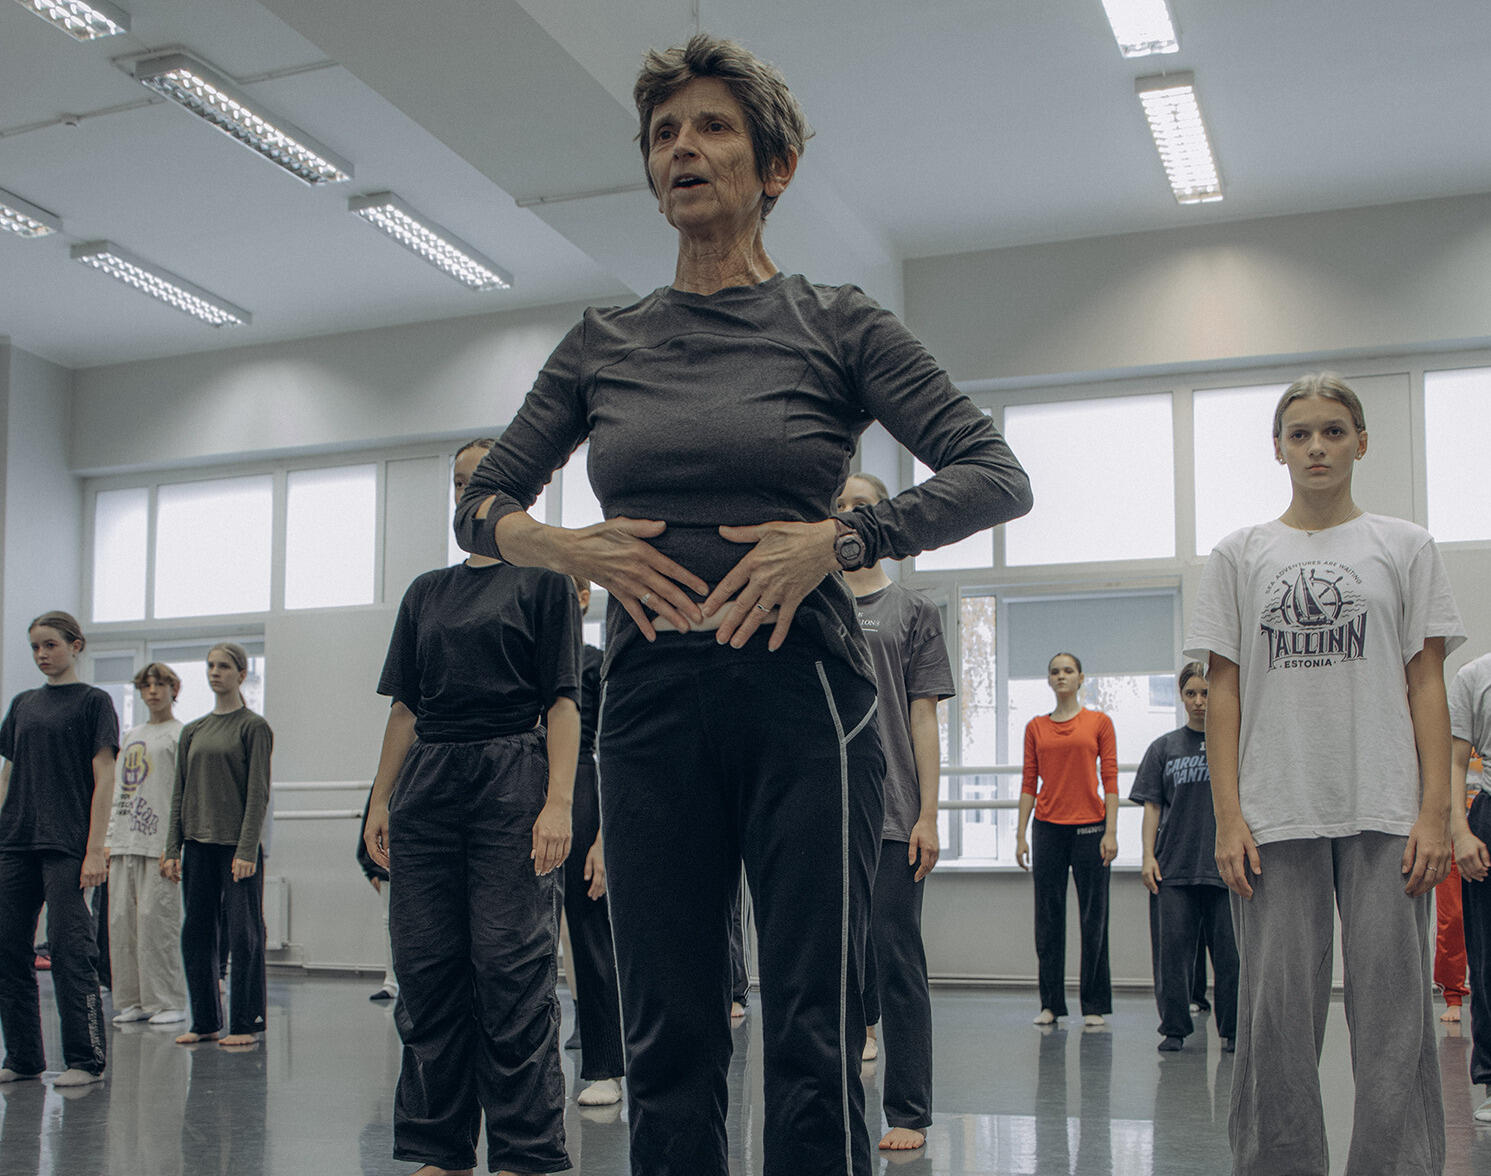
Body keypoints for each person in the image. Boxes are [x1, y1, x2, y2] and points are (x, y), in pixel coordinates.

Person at [452, 33, 1032, 1176]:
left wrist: (845, 537)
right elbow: (483, 503)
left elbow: (993, 472)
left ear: (778, 167)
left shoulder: (837, 322)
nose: (684, 149)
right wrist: (564, 546)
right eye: (665, 133)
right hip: (651, 708)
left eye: (713, 127)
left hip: (806, 704)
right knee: (668, 1028)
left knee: (812, 1028)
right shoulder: (601, 344)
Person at [1188, 372, 1462, 1175]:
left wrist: (1435, 813)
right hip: (1276, 814)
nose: (1316, 446)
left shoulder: (1404, 546)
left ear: (1361, 443)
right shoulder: (1239, 555)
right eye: (1300, 433)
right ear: (1277, 448)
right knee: (1275, 1020)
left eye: (1333, 431)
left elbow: (1425, 682)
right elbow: (1224, 691)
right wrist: (1227, 817)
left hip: (1385, 808)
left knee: (1393, 1021)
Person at [364, 438, 581, 1176]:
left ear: (521, 493)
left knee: (509, 968)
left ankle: (526, 1151)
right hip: (428, 784)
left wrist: (557, 802)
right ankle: (439, 1148)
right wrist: (379, 802)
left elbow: (562, 703)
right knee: (426, 970)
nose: (469, 493)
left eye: (481, 481)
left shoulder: (546, 582)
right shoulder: (427, 591)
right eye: (459, 482)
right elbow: (404, 708)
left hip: (511, 779)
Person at [836, 472, 952, 1151]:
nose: (850, 516)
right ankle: (833, 1096)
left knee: (895, 960)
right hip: (820, 814)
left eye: (862, 506)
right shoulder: (810, 603)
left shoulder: (913, 611)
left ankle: (907, 1109)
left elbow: (923, 719)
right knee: (831, 966)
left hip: (891, 816)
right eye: (839, 507)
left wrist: (927, 813)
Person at [0, 610, 118, 1087]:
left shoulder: (94, 702)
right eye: (35, 647)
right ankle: (25, 1057)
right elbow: (9, 774)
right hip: (15, 841)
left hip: (67, 844)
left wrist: (95, 849)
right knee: (8, 949)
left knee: (71, 951)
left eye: (50, 645)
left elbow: (105, 778)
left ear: (76, 645)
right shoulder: (23, 704)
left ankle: (86, 1060)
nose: (42, 655)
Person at [162, 643, 273, 1049]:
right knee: (196, 933)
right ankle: (206, 1020)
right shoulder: (193, 730)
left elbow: (257, 792)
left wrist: (246, 850)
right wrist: (172, 847)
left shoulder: (253, 727)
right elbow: (180, 793)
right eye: (210, 666)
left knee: (244, 936)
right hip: (197, 846)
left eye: (223, 666)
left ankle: (246, 1022)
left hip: (236, 850)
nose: (214, 672)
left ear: (241, 675)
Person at [1131, 662, 1237, 1053]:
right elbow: (1152, 808)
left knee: (1231, 958)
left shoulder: (1235, 744)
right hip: (1173, 868)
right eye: (1191, 693)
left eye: (1206, 693)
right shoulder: (1164, 748)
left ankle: (1233, 1030)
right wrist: (1147, 856)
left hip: (1223, 868)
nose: (1198, 701)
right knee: (1171, 957)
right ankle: (1173, 1028)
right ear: (1181, 696)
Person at [1015, 653, 1118, 1027]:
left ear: (1080, 678)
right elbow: (1029, 782)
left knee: (1094, 919)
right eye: (1055, 671)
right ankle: (1051, 1005)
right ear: (1049, 680)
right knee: (1048, 919)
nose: (1062, 676)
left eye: (1068, 671)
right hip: (1048, 829)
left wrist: (1111, 831)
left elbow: (1110, 780)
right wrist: (1020, 834)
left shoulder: (1099, 723)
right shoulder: (1035, 728)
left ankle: (1093, 1005)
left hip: (1091, 828)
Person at [561, 575, 625, 1108]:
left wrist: (604, 838)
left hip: (583, 786)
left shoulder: (596, 663)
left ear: (583, 597)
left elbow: (614, 751)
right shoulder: (529, 660)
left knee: (589, 929)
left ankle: (604, 1064)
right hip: (525, 783)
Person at [107, 662, 188, 1026]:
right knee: (122, 922)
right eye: (146, 685)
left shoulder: (179, 735)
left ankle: (167, 1000)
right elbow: (119, 789)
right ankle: (134, 999)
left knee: (157, 923)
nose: (153, 691)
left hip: (159, 843)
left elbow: (182, 793)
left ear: (174, 688)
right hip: (125, 839)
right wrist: (110, 837)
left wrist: (176, 845)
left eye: (160, 684)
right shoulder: (132, 734)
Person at [1446, 654, 1491, 1122]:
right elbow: (1456, 763)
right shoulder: (1473, 677)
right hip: (1488, 818)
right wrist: (1460, 832)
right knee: (1487, 956)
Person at [354, 786, 398, 1002]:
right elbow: (369, 826)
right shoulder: (387, 784)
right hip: (388, 870)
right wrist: (372, 871)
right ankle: (391, 982)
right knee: (389, 923)